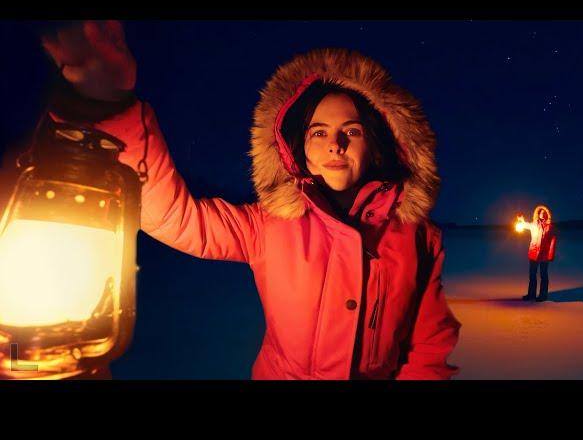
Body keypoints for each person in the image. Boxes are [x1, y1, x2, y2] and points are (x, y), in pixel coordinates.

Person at [40, 20, 461, 380]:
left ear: (377, 144)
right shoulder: (268, 225)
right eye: (318, 132)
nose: (335, 144)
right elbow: (177, 218)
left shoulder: (417, 238)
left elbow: (427, 346)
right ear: (297, 147)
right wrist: (106, 105)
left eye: (351, 131)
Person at [518, 205, 557, 302]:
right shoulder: (533, 225)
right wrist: (521, 220)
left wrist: (551, 255)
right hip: (534, 253)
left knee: (543, 275)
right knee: (532, 274)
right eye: (541, 213)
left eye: (544, 213)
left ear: (547, 215)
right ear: (538, 214)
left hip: (544, 255)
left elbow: (553, 241)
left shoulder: (550, 227)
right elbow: (524, 225)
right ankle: (531, 294)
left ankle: (543, 295)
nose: (542, 214)